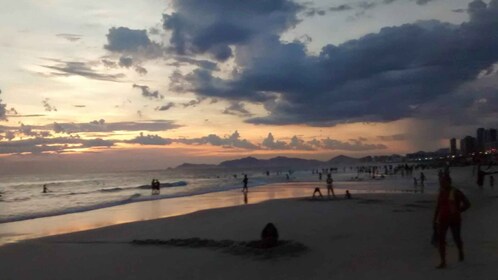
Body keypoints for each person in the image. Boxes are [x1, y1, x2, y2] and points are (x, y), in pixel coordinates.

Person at [433, 174, 471, 269]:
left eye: (443, 182)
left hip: (455, 220)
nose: (441, 184)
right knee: (441, 240)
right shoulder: (441, 193)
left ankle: (460, 251)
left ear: (449, 182)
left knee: (456, 238)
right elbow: (438, 207)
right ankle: (443, 261)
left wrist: (459, 211)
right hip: (442, 219)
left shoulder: (456, 192)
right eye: (440, 182)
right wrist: (434, 220)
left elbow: (467, 204)